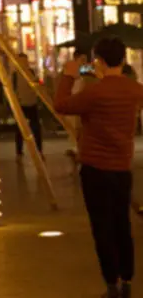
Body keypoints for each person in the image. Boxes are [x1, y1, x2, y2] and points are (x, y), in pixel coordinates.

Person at [55, 37, 143, 298]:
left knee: (101, 226)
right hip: (121, 167)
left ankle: (111, 282)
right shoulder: (134, 89)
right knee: (122, 224)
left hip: (95, 168)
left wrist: (68, 76)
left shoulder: (94, 92)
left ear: (100, 62)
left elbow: (60, 105)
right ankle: (127, 278)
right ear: (123, 60)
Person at [14, 53, 43, 160]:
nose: (24, 63)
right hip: (21, 105)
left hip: (32, 103)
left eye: (25, 61)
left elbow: (37, 84)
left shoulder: (31, 72)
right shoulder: (15, 74)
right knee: (20, 130)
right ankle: (19, 152)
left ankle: (39, 151)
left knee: (36, 129)